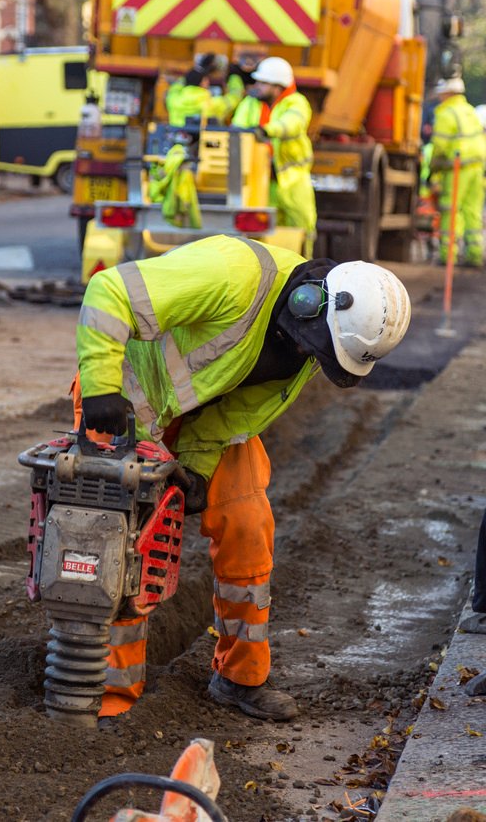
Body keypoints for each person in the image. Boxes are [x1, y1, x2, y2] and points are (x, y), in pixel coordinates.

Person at [73, 234, 412, 721]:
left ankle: (240, 678)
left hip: (194, 421)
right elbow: (108, 291)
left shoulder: (310, 348)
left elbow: (234, 416)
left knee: (248, 523)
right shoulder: (234, 274)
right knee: (122, 543)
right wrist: (104, 388)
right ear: (307, 300)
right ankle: (108, 696)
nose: (306, 353)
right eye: (312, 344)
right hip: (122, 400)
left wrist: (196, 467)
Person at [247, 57, 316, 255]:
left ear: (277, 87)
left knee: (301, 226)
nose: (257, 86)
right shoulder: (251, 104)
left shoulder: (297, 103)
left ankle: (304, 272)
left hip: (293, 181)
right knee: (263, 235)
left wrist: (267, 130)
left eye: (262, 83)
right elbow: (238, 127)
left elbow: (292, 124)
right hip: (262, 181)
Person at [428, 77, 486, 267]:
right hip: (477, 168)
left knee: (451, 209)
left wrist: (433, 170)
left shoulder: (446, 113)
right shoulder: (469, 110)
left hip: (457, 167)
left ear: (447, 93)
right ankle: (474, 255)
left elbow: (439, 147)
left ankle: (449, 255)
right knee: (472, 211)